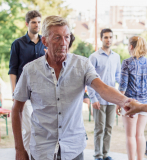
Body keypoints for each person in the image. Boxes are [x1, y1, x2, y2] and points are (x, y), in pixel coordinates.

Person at [11, 16, 129, 160]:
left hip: (73, 149)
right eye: (57, 38)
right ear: (45, 41)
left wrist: (125, 102)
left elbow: (103, 89)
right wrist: (19, 149)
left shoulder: (82, 65)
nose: (64, 43)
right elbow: (17, 109)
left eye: (67, 37)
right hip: (42, 150)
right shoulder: (30, 70)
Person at [8, 10, 46, 157]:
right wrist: (14, 92)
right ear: (27, 24)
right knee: (28, 129)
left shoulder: (45, 42)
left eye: (38, 22)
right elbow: (13, 70)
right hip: (23, 93)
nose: (37, 25)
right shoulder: (17, 44)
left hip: (42, 93)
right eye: (34, 22)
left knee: (40, 129)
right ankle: (23, 155)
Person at [116, 36, 147, 160]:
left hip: (130, 102)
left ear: (131, 46)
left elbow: (122, 86)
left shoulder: (127, 62)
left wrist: (118, 103)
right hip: (145, 102)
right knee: (140, 135)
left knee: (130, 136)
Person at [87, 28, 121, 160]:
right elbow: (89, 79)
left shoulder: (116, 57)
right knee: (99, 128)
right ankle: (97, 154)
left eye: (111, 37)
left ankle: (106, 154)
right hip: (99, 99)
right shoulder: (94, 57)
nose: (109, 40)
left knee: (109, 128)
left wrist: (120, 94)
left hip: (112, 99)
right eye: (106, 37)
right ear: (101, 38)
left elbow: (118, 76)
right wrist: (93, 98)